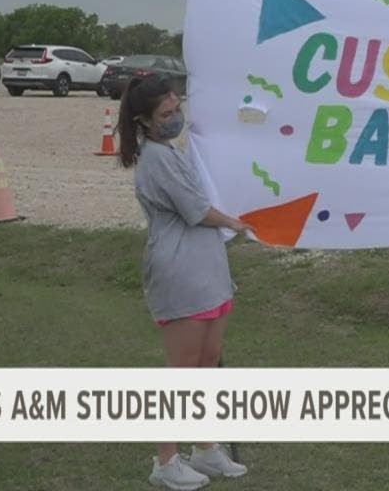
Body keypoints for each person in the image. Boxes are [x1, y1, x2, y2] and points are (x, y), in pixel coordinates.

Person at [117, 75, 250, 490]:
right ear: (145, 121)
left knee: (208, 361)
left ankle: (205, 446)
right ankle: (165, 459)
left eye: (177, 109)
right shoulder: (155, 160)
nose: (176, 118)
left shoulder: (173, 153)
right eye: (167, 114)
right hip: (179, 272)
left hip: (207, 268)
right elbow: (196, 209)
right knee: (183, 371)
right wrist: (232, 221)